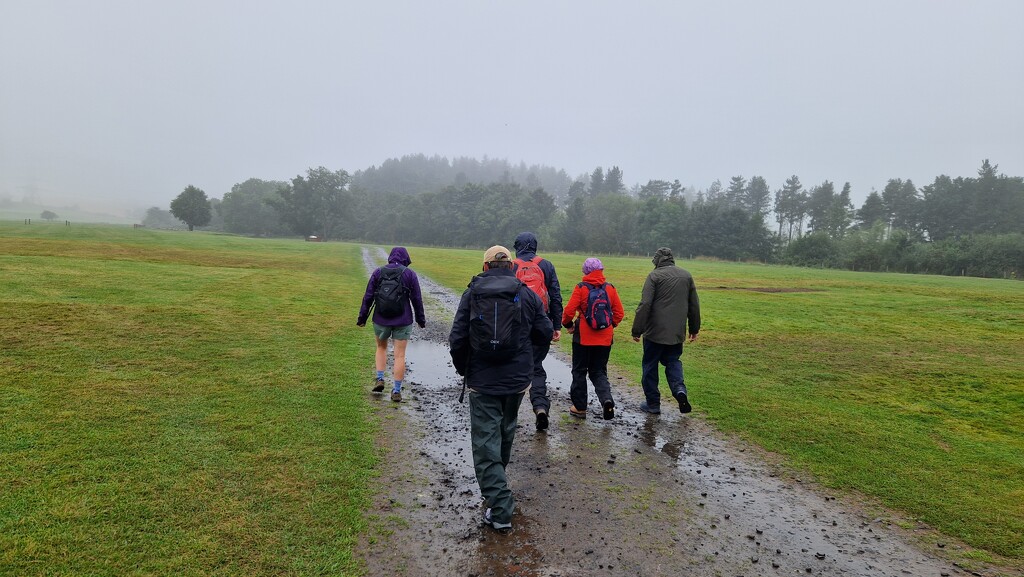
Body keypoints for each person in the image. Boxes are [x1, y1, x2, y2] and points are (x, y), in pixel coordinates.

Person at [448, 245, 553, 534]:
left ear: (485, 267)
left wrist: (464, 369)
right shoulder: (527, 294)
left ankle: (501, 506)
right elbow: (545, 332)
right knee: (505, 434)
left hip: (483, 382)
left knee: (485, 444)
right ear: (511, 266)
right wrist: (530, 361)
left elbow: (457, 338)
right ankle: (496, 491)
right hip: (517, 382)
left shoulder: (472, 294)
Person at [630, 247, 701, 415]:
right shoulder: (686, 275)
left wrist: (637, 330)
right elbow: (694, 305)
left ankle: (653, 403)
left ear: (657, 261)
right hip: (676, 333)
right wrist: (694, 328)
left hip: (654, 332)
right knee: (673, 361)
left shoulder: (654, 276)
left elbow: (645, 305)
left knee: (650, 365)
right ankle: (679, 390)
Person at [357, 246, 426, 402]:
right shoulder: (409, 274)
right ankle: (396, 391)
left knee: (381, 348)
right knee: (399, 355)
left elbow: (368, 297)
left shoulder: (378, 272)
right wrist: (421, 320)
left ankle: (380, 379)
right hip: (403, 320)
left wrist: (362, 318)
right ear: (405, 258)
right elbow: (417, 300)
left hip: (380, 319)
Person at [561, 258, 625, 420]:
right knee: (599, 371)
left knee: (579, 370)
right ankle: (607, 400)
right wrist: (609, 326)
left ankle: (580, 408)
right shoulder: (610, 288)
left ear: (585, 271)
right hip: (605, 339)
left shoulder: (581, 288)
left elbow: (568, 311)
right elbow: (619, 313)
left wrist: (568, 325)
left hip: (583, 338)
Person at [512, 231, 562, 431]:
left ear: (517, 246)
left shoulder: (512, 265)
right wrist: (556, 325)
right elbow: (555, 296)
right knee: (536, 367)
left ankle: (510, 415)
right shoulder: (546, 265)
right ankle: (540, 406)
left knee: (515, 367)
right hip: (542, 323)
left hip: (518, 325)